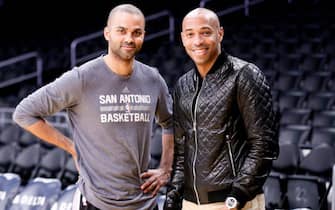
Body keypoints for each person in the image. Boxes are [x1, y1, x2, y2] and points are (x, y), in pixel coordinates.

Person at [13, 4, 174, 210]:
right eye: (121, 31)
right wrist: (72, 148)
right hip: (96, 202)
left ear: (143, 35)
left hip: (144, 202)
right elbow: (24, 113)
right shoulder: (81, 78)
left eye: (137, 33)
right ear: (107, 33)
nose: (129, 39)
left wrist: (165, 168)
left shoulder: (153, 79)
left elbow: (170, 123)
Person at [164, 7, 279, 210]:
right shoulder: (182, 85)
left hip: (232, 202)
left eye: (205, 32)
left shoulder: (245, 74)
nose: (198, 41)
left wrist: (238, 196)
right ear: (183, 39)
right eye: (190, 34)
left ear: (220, 33)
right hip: (191, 202)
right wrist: (173, 196)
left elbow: (264, 145)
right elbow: (182, 151)